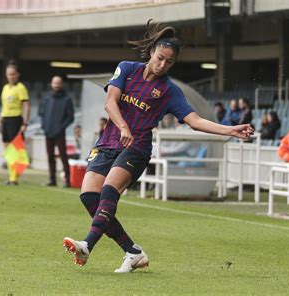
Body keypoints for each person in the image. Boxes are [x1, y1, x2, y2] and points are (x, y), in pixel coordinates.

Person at [62, 20, 254, 273]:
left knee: (109, 190)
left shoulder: (168, 91)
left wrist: (230, 129)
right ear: (152, 51)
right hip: (109, 142)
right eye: (160, 58)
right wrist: (122, 126)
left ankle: (87, 244)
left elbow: (194, 121)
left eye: (169, 62)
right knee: (89, 197)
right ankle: (133, 252)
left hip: (136, 147)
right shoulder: (127, 69)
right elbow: (110, 103)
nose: (163, 65)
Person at [0, 60, 30, 185]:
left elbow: (26, 106)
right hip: (6, 119)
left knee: (14, 150)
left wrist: (25, 123)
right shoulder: (5, 88)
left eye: (13, 74)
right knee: (7, 150)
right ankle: (11, 176)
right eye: (8, 74)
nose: (10, 77)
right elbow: (4, 107)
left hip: (15, 120)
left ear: (17, 75)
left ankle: (14, 178)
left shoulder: (21, 88)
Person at [39, 75, 75, 187]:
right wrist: (44, 126)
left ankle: (67, 181)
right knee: (50, 157)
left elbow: (70, 117)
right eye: (55, 83)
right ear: (51, 84)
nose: (57, 85)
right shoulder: (47, 99)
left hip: (59, 133)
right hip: (48, 132)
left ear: (62, 84)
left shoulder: (67, 99)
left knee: (63, 156)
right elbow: (42, 113)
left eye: (59, 83)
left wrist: (61, 127)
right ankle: (52, 180)